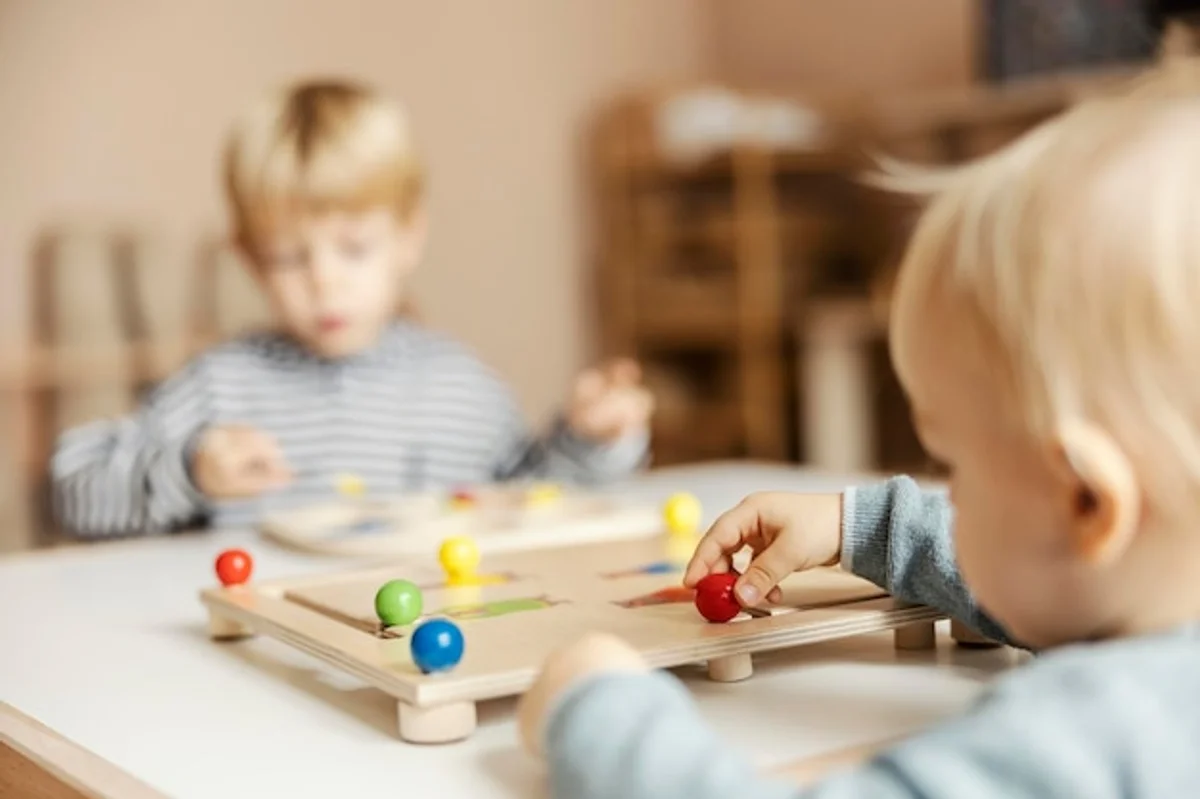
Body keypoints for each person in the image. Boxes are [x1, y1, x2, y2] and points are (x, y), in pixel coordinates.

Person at [515, 76, 1200, 797]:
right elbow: (1069, 581)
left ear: (1089, 502)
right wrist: (858, 526)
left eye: (954, 465)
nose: (950, 492)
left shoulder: (1099, 733)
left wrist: (598, 712)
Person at [49, 78, 652, 539]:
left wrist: (590, 440)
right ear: (250, 260)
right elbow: (72, 488)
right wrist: (191, 470)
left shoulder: (458, 387)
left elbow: (533, 499)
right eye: (288, 258)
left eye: (354, 248)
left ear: (409, 237)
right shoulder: (221, 388)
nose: (324, 281)